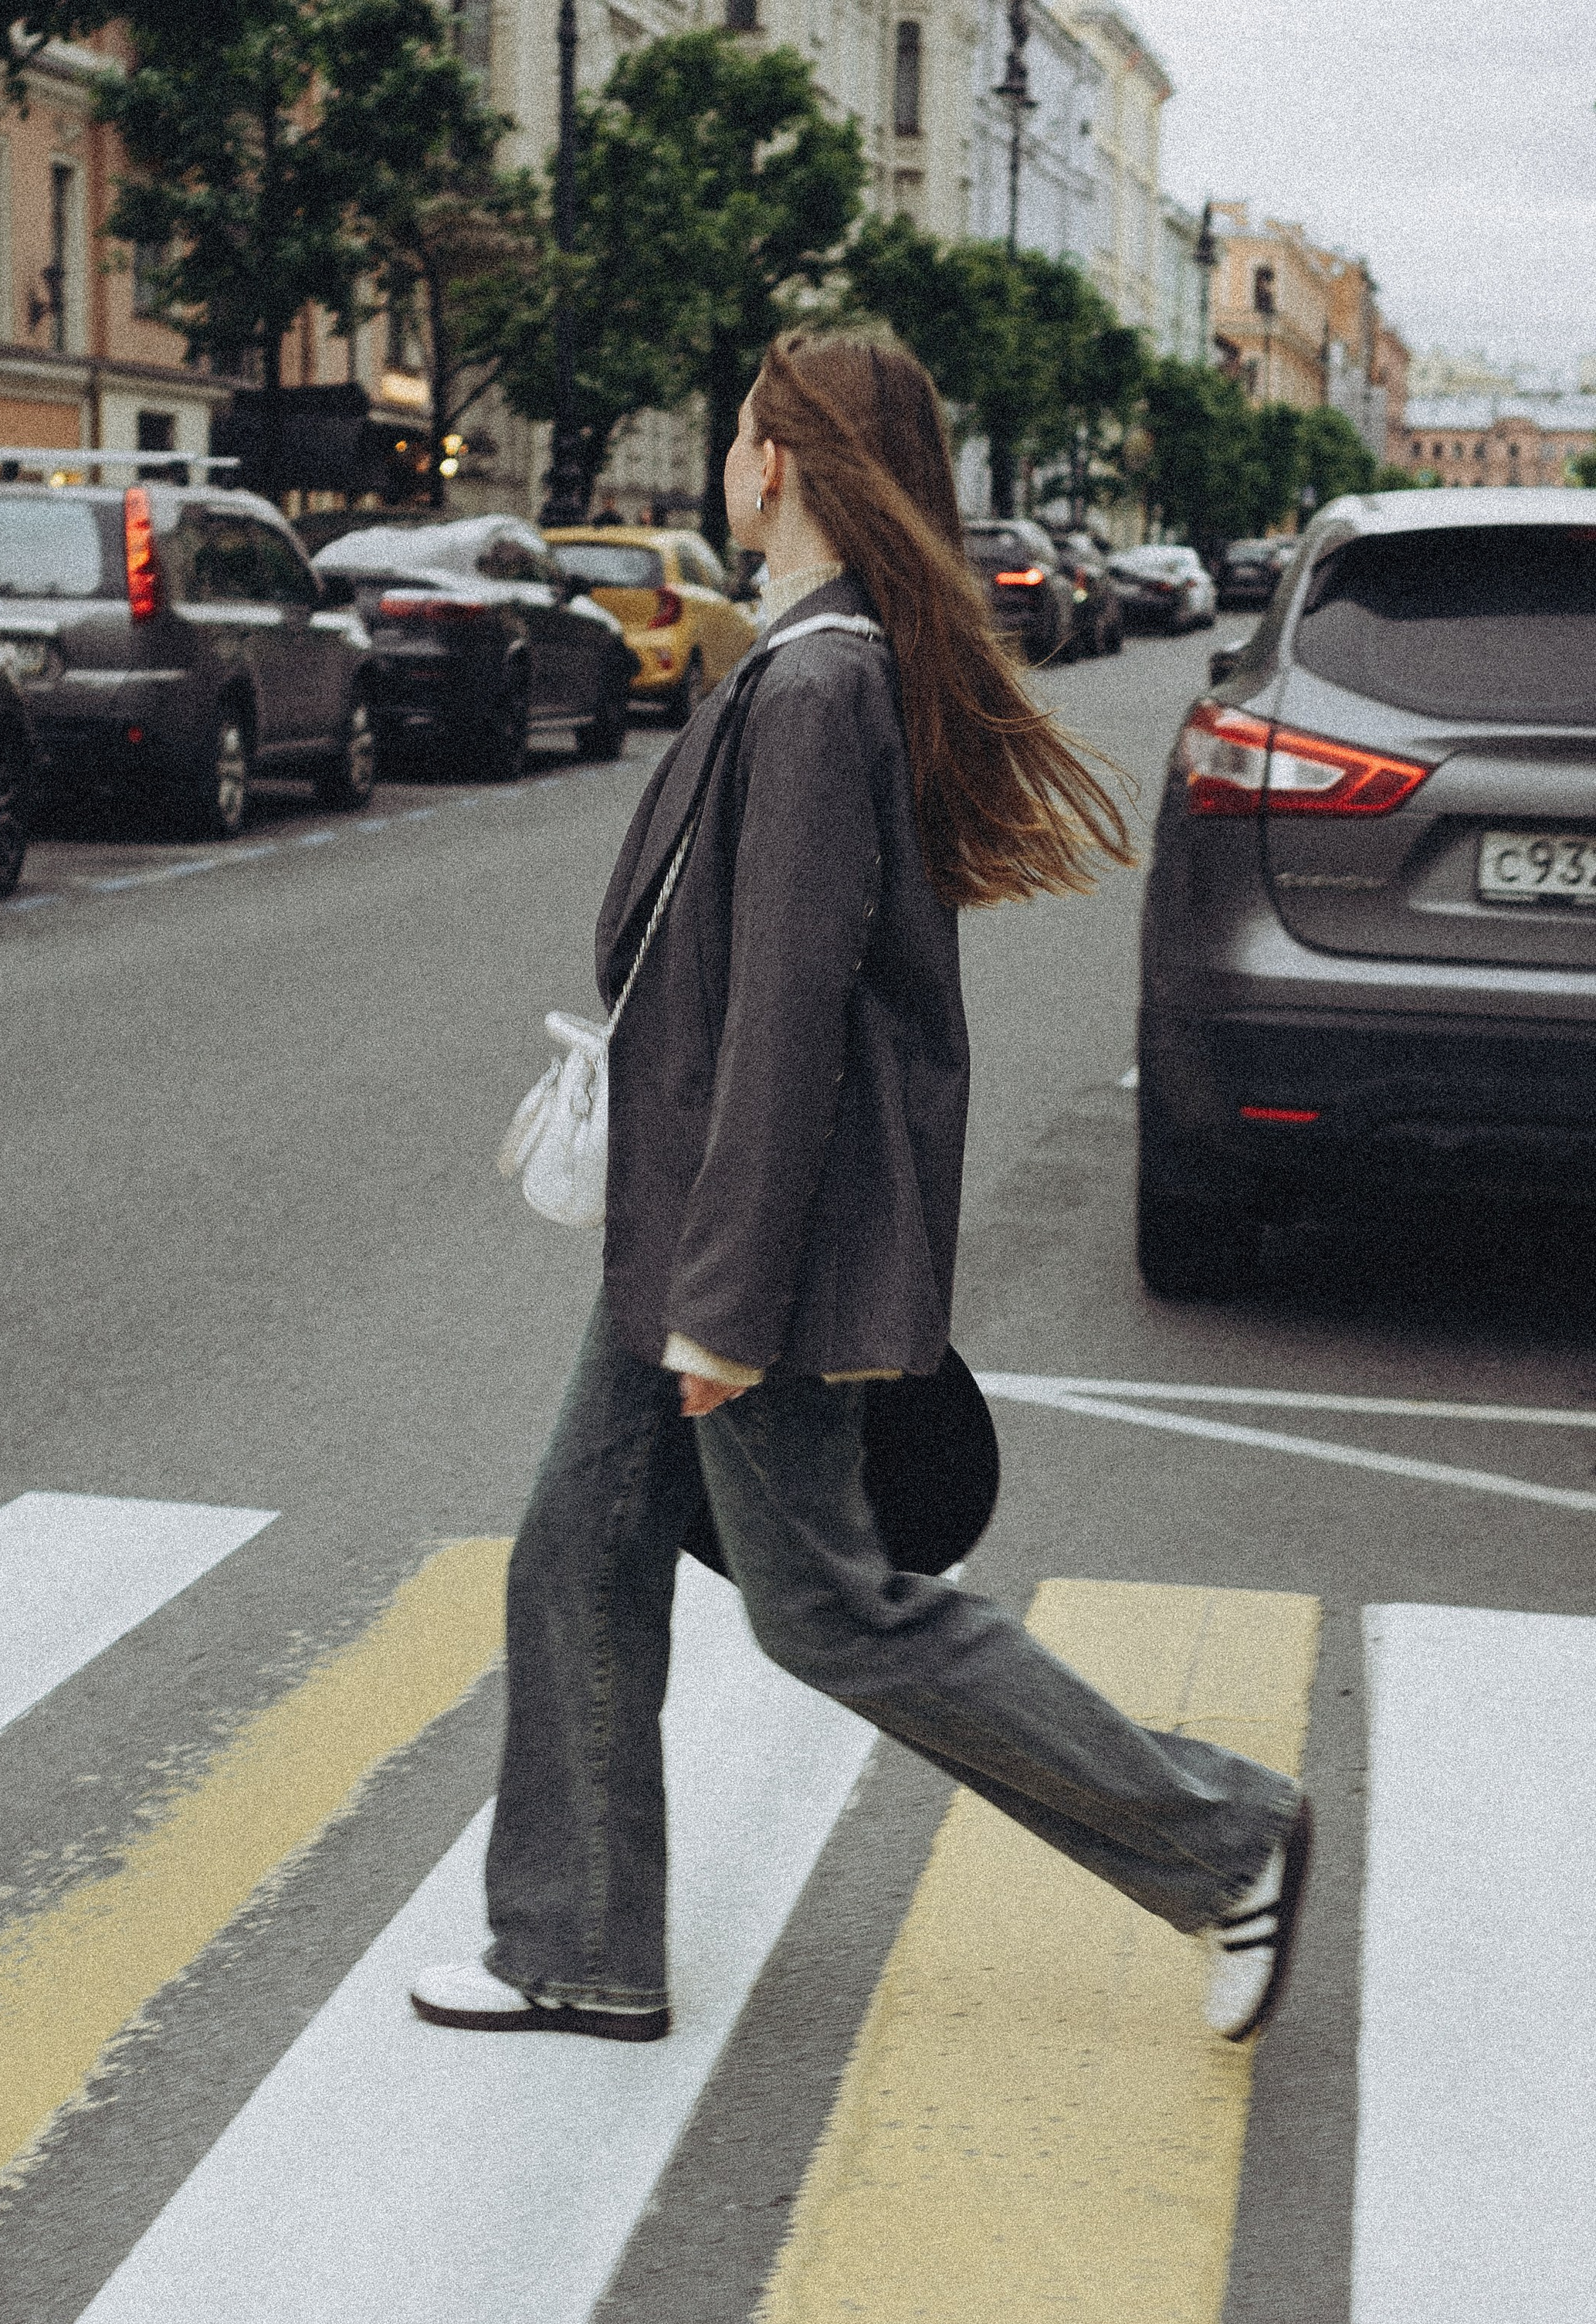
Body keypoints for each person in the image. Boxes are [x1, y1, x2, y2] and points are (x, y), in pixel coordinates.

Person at [413, 328, 1311, 2052]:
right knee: (576, 1554)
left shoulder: (821, 687)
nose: (728, 461)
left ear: (782, 464)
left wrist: (727, 1308)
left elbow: (789, 1023)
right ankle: (577, 1946)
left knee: (835, 1613)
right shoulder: (809, 659)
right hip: (695, 1229)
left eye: (744, 434)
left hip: (755, 1248)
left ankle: (1222, 1838)